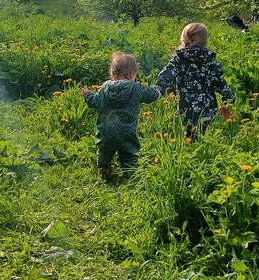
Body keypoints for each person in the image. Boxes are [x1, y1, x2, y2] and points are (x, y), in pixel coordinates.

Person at [82, 52, 160, 183]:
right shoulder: (135, 88)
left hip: (106, 133)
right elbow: (151, 95)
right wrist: (159, 91)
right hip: (127, 133)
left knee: (104, 154)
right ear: (131, 74)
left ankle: (104, 173)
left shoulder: (105, 88)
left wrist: (87, 94)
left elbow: (94, 103)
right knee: (128, 155)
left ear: (113, 74)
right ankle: (130, 177)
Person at [154, 22, 235, 139]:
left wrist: (157, 91)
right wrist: (228, 100)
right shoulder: (210, 59)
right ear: (204, 41)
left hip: (187, 109)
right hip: (208, 109)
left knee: (190, 138)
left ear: (184, 40)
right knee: (206, 137)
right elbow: (221, 83)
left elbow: (166, 76)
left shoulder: (180, 58)